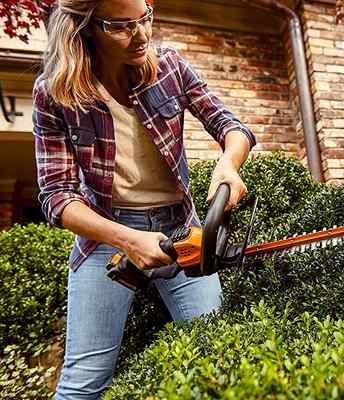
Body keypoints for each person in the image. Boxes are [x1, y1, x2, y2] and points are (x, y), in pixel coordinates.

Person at [32, 0, 256, 398]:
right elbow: (57, 197)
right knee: (83, 382)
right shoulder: (55, 95)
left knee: (221, 361)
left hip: (181, 230)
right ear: (86, 29)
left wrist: (228, 165)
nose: (141, 35)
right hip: (106, 239)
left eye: (144, 18)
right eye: (120, 26)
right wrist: (127, 239)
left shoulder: (169, 66)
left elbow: (231, 126)